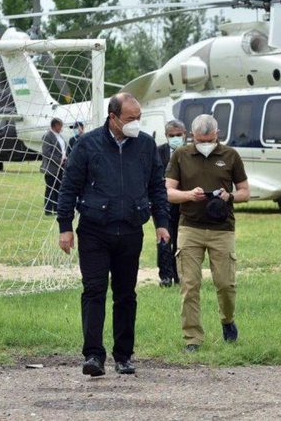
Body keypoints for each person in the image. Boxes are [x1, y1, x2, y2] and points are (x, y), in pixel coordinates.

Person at [57, 92, 170, 377]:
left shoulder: (145, 146)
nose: (136, 123)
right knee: (94, 291)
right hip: (95, 230)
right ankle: (94, 355)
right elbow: (68, 187)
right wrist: (65, 227)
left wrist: (162, 222)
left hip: (131, 230)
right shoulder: (87, 144)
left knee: (125, 294)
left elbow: (157, 186)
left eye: (139, 118)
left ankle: (124, 356)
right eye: (131, 118)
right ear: (113, 117)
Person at [165, 114, 250, 352]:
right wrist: (189, 195)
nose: (205, 144)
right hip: (189, 227)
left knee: (225, 284)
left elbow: (245, 191)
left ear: (217, 135)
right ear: (191, 136)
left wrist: (229, 196)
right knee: (190, 284)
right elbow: (168, 192)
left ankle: (227, 320)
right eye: (201, 140)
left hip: (221, 228)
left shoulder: (230, 155)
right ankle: (192, 338)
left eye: (210, 139)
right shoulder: (180, 155)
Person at [157, 119, 187, 287]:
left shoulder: (190, 152)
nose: (175, 138)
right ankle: (165, 276)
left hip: (183, 202)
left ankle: (179, 274)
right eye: (171, 136)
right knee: (164, 240)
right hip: (163, 203)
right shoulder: (158, 152)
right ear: (166, 136)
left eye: (178, 135)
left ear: (185, 134)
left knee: (180, 240)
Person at [40, 117, 66, 215]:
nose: (61, 128)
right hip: (51, 168)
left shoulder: (60, 136)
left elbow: (63, 149)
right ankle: (48, 210)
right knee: (50, 188)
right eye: (60, 126)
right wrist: (59, 160)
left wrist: (65, 158)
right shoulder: (48, 136)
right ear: (55, 126)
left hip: (61, 167)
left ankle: (56, 209)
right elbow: (46, 152)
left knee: (59, 188)